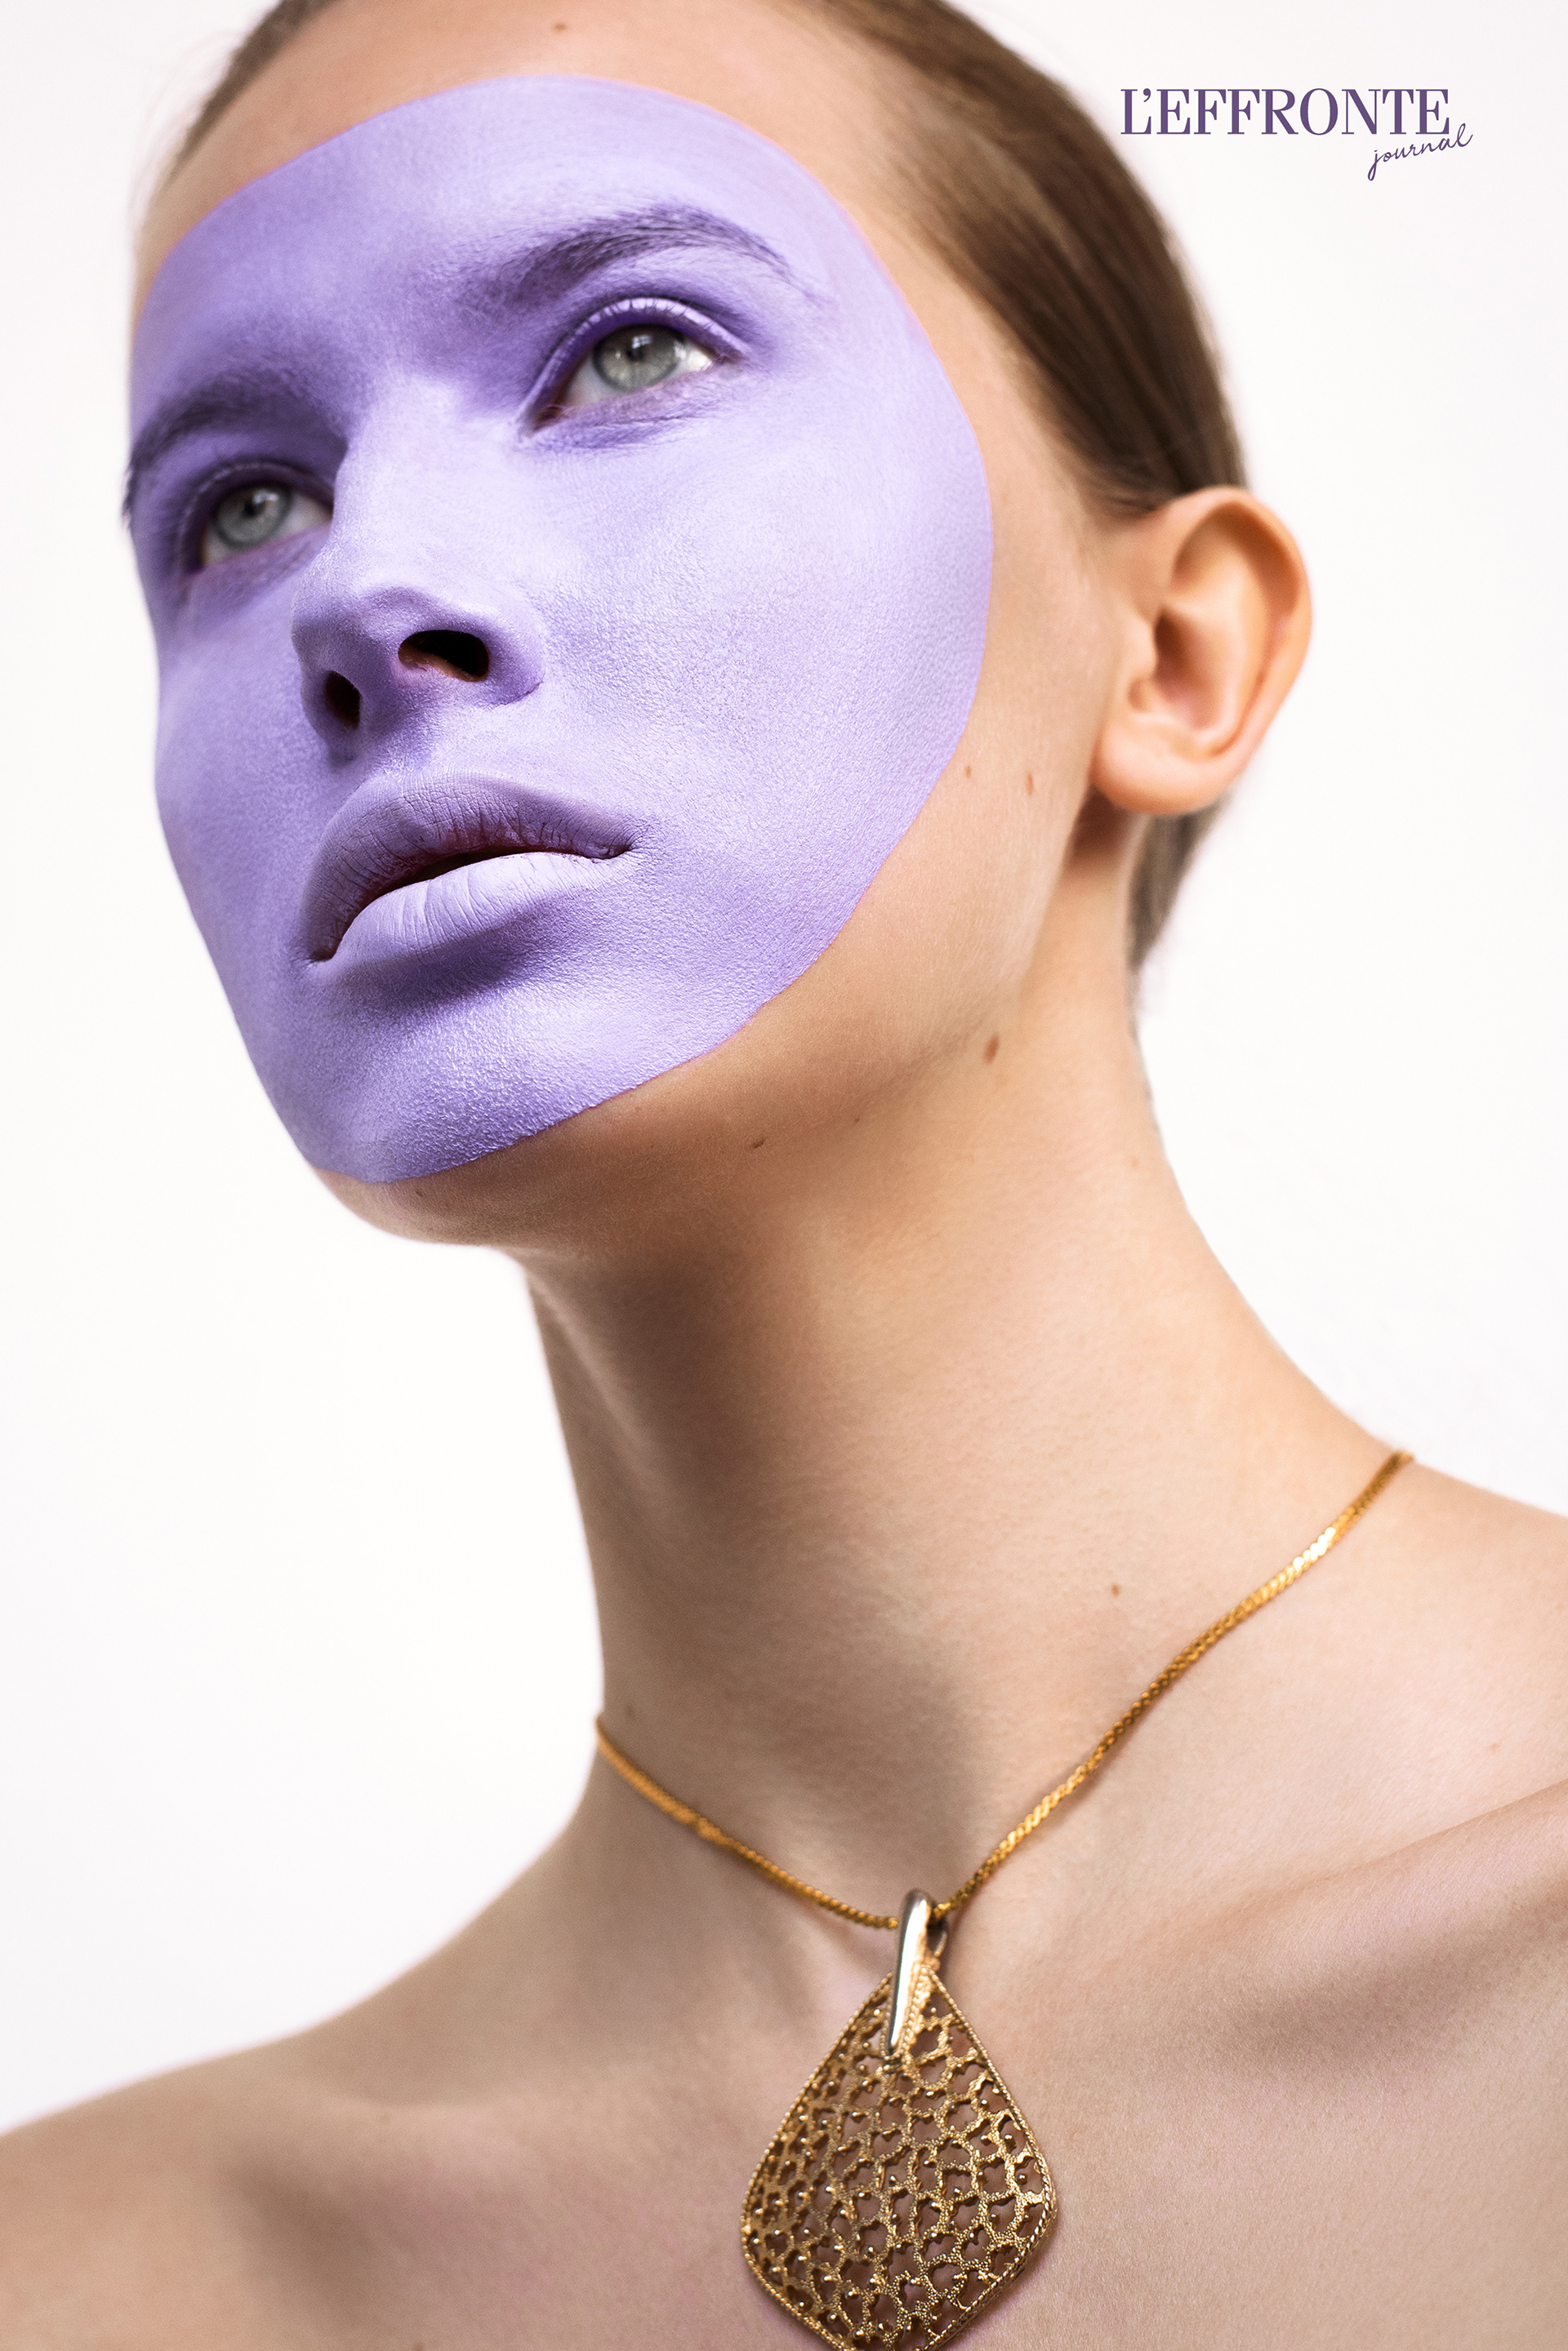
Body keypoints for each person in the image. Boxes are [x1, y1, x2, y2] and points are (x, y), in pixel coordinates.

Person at [4, 0, 1565, 2343]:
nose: (358, 594)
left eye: (629, 352)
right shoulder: (95, 2284)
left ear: (1175, 651)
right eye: (241, 507)